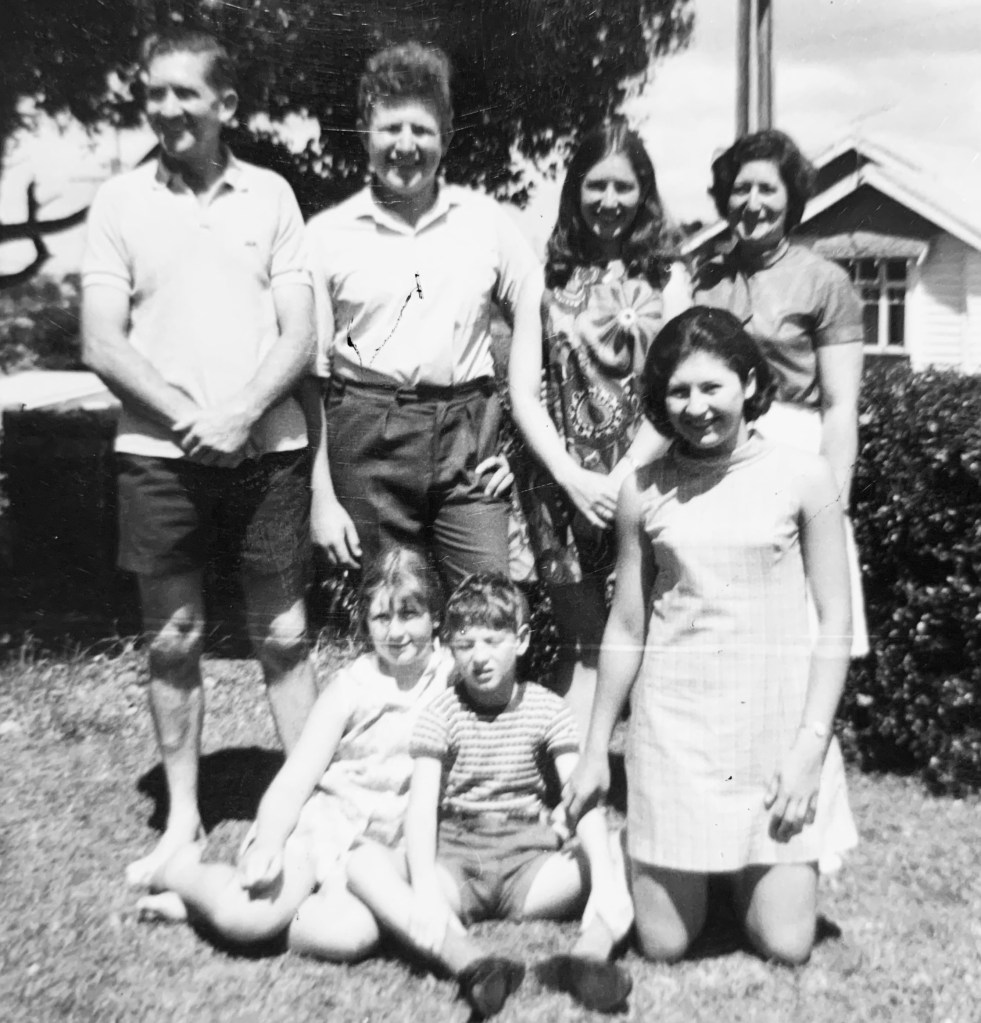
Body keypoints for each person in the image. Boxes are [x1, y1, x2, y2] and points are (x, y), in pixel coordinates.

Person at [80, 28, 318, 886]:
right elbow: (101, 342)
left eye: (186, 91)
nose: (168, 107)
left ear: (226, 103)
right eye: (156, 92)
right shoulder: (119, 203)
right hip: (158, 454)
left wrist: (242, 413)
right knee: (172, 641)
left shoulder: (272, 196)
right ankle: (183, 819)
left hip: (266, 452)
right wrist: (193, 421)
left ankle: (309, 815)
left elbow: (300, 334)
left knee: (283, 635)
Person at [566, 307, 858, 966]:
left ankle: (738, 871)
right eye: (678, 391)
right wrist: (594, 748)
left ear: (749, 384)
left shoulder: (806, 476)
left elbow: (835, 620)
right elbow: (627, 623)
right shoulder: (642, 490)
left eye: (711, 387)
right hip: (676, 732)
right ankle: (662, 862)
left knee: (785, 943)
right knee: (664, 944)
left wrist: (810, 746)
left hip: (772, 731)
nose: (696, 407)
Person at [135, 547, 452, 960]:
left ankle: (208, 914)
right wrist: (269, 843)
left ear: (435, 615)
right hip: (319, 833)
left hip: (380, 854)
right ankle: (181, 872)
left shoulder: (452, 681)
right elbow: (294, 781)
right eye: (381, 617)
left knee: (349, 936)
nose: (395, 632)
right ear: (365, 622)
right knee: (245, 918)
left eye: (409, 614)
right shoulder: (352, 688)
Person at [306, 42, 540, 591]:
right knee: (387, 609)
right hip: (367, 435)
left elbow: (537, 303)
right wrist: (321, 498)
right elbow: (309, 378)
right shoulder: (327, 235)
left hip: (469, 438)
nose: (406, 145)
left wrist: (523, 444)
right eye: (391, 128)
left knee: (487, 602)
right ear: (364, 133)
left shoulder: (485, 222)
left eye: (422, 130)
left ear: (447, 137)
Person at [346, 574, 634, 1019]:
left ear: (521, 640)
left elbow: (582, 797)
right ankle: (472, 964)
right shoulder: (440, 714)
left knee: (625, 845)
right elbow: (420, 810)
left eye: (492, 641)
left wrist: (603, 879)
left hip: (531, 866)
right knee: (362, 862)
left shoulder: (548, 709)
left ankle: (587, 959)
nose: (479, 657)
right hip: (458, 865)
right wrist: (426, 891)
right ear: (450, 648)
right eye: (465, 644)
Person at [508, 117, 689, 734]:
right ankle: (571, 777)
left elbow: (678, 386)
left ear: (644, 192)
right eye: (596, 185)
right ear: (575, 190)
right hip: (560, 489)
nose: (609, 200)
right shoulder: (545, 278)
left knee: (647, 639)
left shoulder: (668, 278)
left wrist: (622, 477)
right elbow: (523, 391)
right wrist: (570, 476)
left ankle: (638, 770)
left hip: (648, 479)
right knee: (584, 645)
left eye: (623, 186)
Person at [693, 128, 868, 653]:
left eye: (767, 189)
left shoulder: (826, 282)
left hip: (795, 452)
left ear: (791, 198)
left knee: (804, 631)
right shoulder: (705, 280)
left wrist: (832, 501)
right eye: (741, 189)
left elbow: (840, 406)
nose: (753, 203)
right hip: (715, 451)